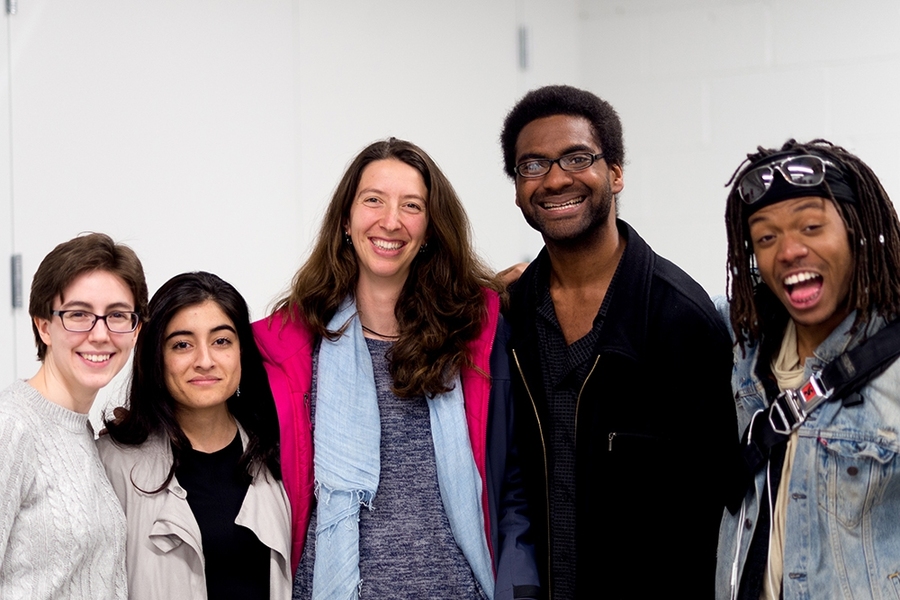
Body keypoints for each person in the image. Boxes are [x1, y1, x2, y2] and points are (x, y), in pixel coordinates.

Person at [253, 137, 539, 600]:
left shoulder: (476, 337)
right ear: (346, 219)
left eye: (412, 205)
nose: (391, 221)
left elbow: (514, 490)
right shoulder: (286, 346)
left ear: (429, 229)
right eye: (373, 201)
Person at [498, 84, 736, 598]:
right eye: (532, 165)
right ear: (517, 188)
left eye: (577, 157)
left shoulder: (683, 320)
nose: (555, 178)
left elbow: (719, 511)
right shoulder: (509, 317)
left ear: (616, 172)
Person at [716, 139, 900, 600]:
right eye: (765, 237)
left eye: (812, 226)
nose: (789, 250)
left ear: (857, 230)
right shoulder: (744, 344)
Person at [98, 271, 291, 600]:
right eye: (182, 344)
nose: (205, 361)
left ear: (242, 352)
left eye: (221, 341)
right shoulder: (112, 462)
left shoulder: (278, 453)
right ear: (156, 358)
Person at [0, 232, 148, 599]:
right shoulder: (11, 425)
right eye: (79, 315)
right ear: (44, 325)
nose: (99, 335)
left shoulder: (82, 433)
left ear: (136, 329)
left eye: (117, 315)